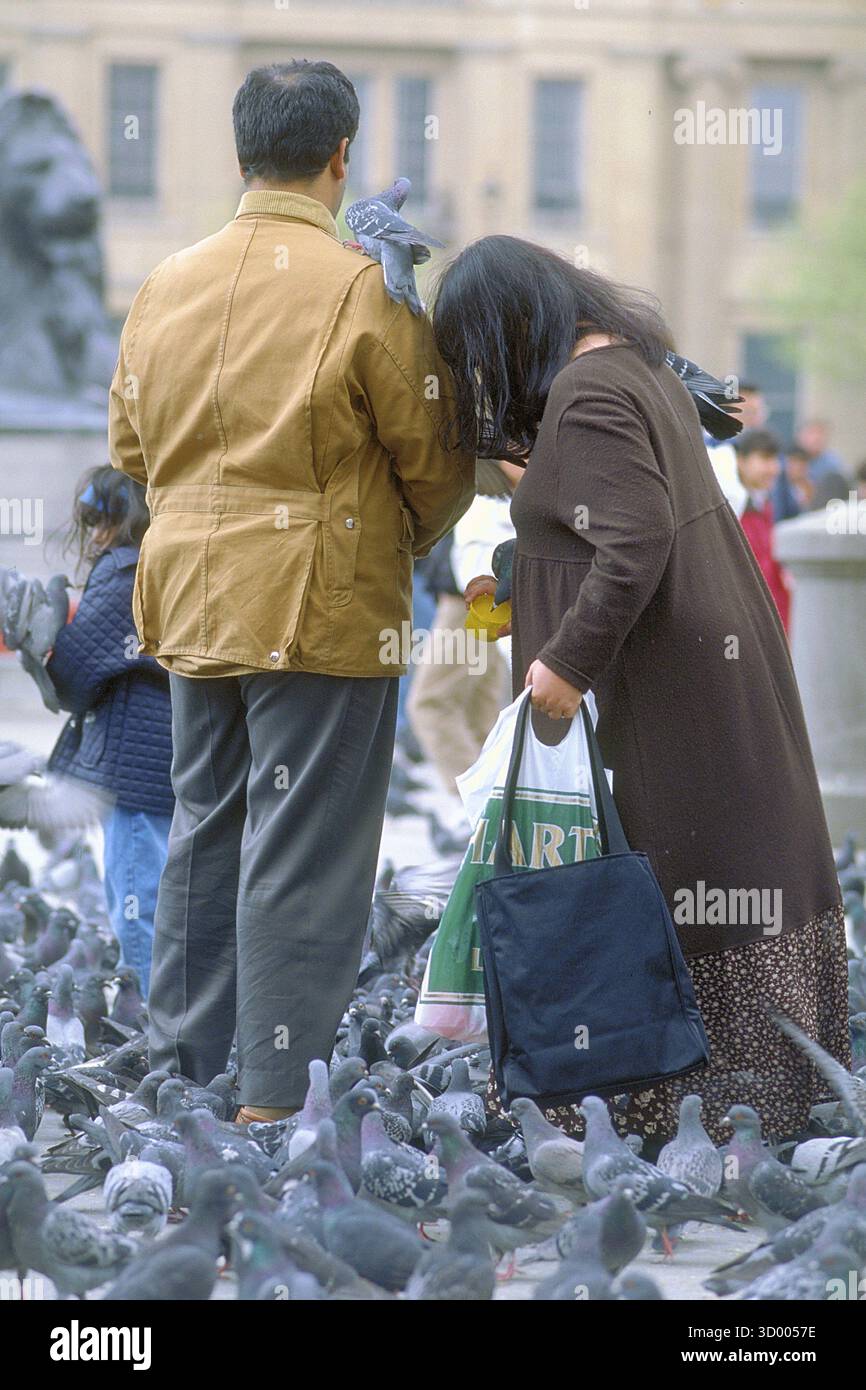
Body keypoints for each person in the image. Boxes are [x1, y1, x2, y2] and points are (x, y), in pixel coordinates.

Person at [109, 61, 474, 1122]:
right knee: (303, 848)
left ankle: (184, 1074)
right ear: (341, 157)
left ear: (238, 155)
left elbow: (131, 445)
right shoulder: (364, 286)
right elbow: (435, 462)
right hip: (319, 603)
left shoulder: (162, 282)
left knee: (203, 827)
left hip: (186, 600)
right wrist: (393, 538)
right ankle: (272, 1100)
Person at [433, 235, 849, 1147]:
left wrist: (566, 660)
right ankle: (766, 1093)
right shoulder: (630, 367)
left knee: (675, 877)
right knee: (721, 867)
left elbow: (632, 538)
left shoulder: (587, 393)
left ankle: (664, 1107)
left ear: (508, 329)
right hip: (698, 671)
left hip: (659, 692)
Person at [46, 466, 173, 997]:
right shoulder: (165, 562)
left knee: (137, 908)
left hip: (134, 774)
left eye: (105, 521)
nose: (96, 534)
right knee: (169, 903)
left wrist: (45, 634)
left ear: (128, 521)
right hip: (170, 760)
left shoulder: (123, 571)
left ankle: (151, 1030)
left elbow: (69, 677)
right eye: (90, 522)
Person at [408, 461, 515, 824]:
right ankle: (499, 809)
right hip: (477, 590)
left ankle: (485, 812)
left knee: (432, 704)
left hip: (469, 597)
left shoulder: (500, 442)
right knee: (478, 710)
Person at [732, 427, 791, 633]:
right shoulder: (733, 509)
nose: (773, 468)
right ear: (741, 461)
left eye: (775, 460)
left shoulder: (765, 505)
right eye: (765, 459)